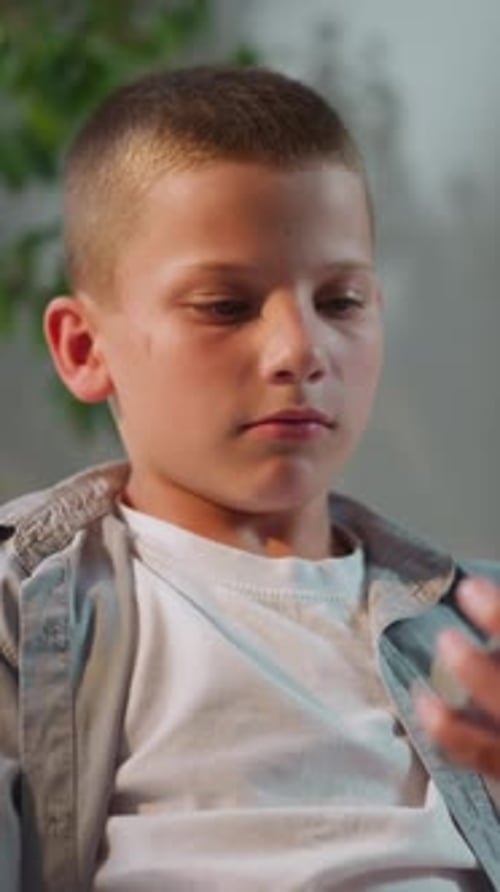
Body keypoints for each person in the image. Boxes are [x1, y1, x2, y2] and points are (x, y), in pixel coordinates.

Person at [0, 65, 499, 892]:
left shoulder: (476, 636)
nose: (300, 352)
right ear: (84, 349)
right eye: (225, 306)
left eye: (340, 301)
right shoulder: (20, 612)